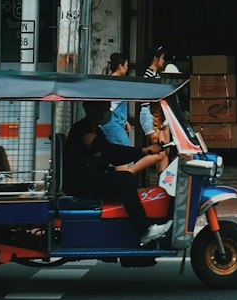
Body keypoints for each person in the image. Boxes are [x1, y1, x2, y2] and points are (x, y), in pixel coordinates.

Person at [62, 101, 172, 246]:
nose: (109, 110)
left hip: (86, 177)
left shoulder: (96, 130)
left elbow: (114, 157)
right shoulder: (83, 130)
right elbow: (108, 150)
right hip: (78, 181)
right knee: (125, 179)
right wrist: (143, 150)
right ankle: (144, 231)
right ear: (95, 110)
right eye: (106, 107)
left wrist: (143, 152)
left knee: (125, 178)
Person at [139, 43, 168, 146]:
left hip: (156, 115)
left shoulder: (155, 75)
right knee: (159, 150)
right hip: (151, 114)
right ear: (155, 58)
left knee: (164, 151)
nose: (163, 61)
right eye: (162, 58)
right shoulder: (149, 75)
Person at [102, 52, 133, 147]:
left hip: (112, 123)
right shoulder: (117, 83)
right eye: (126, 65)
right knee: (124, 154)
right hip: (113, 124)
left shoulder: (110, 80)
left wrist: (124, 121)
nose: (127, 68)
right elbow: (112, 106)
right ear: (120, 66)